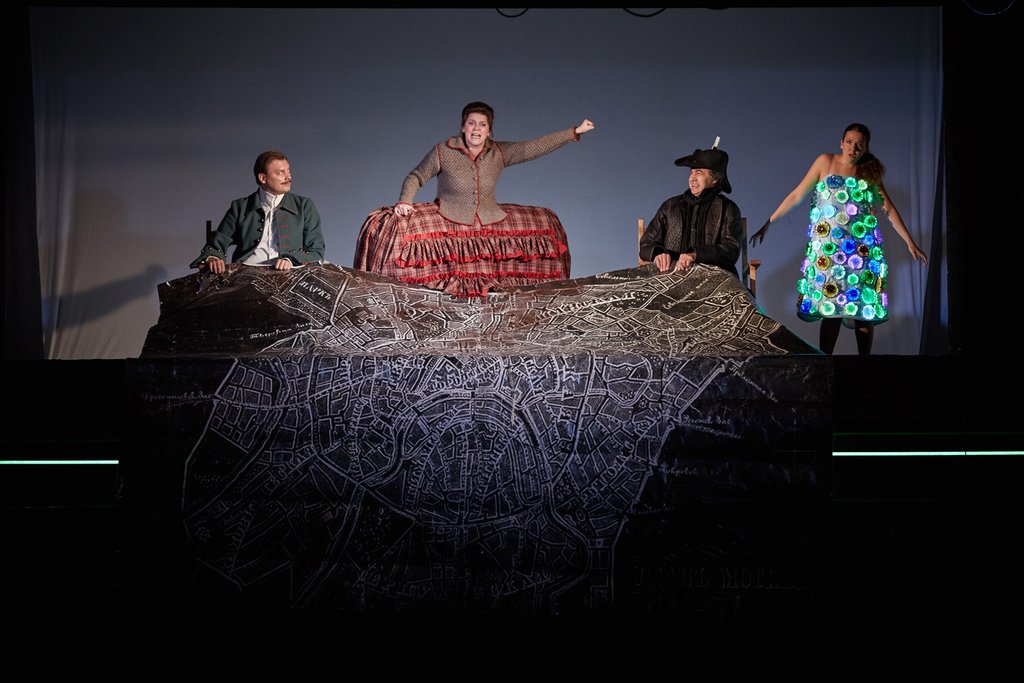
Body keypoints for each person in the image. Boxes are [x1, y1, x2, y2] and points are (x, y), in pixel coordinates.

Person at [354, 101, 594, 297]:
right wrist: (405, 201)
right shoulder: (443, 151)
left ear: (489, 131)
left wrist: (574, 132)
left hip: (489, 218)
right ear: (463, 127)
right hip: (448, 216)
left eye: (482, 124)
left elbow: (533, 147)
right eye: (471, 123)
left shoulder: (499, 152)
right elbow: (416, 176)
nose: (476, 129)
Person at [748, 123, 927, 355]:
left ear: (866, 148)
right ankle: (826, 363)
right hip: (830, 252)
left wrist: (909, 241)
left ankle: (865, 365)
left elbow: (888, 209)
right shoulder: (825, 162)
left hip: (861, 252)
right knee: (830, 309)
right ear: (841, 143)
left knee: (863, 309)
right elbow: (797, 195)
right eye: (849, 142)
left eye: (859, 144)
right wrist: (768, 223)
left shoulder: (868, 173)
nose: (853, 148)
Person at [191, 150, 325, 274]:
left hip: (289, 272)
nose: (288, 177)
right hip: (246, 273)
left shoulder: (304, 206)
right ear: (262, 178)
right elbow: (219, 240)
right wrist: (213, 258)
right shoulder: (240, 207)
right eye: (280, 173)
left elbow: (316, 250)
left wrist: (291, 259)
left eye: (288, 171)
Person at [639, 144, 743, 278]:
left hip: (713, 278)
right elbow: (646, 243)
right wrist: (657, 253)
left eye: (699, 173)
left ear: (715, 179)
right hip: (669, 275)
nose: (692, 178)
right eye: (691, 172)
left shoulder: (728, 208)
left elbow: (731, 250)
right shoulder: (670, 206)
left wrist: (695, 255)